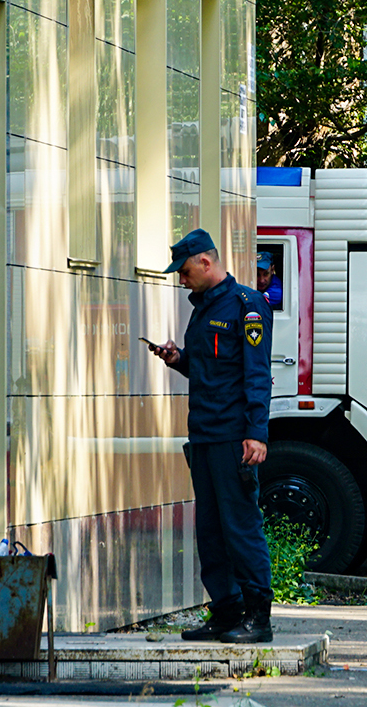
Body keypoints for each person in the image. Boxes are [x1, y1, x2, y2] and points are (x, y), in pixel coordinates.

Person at [146, 228, 276, 643]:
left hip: (233, 438)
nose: (182, 281)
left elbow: (257, 375)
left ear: (206, 262)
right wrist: (177, 359)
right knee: (210, 530)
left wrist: (257, 433)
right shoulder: (202, 309)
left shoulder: (246, 306)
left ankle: (258, 616)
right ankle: (225, 611)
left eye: (184, 272)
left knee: (240, 526)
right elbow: (207, 369)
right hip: (202, 435)